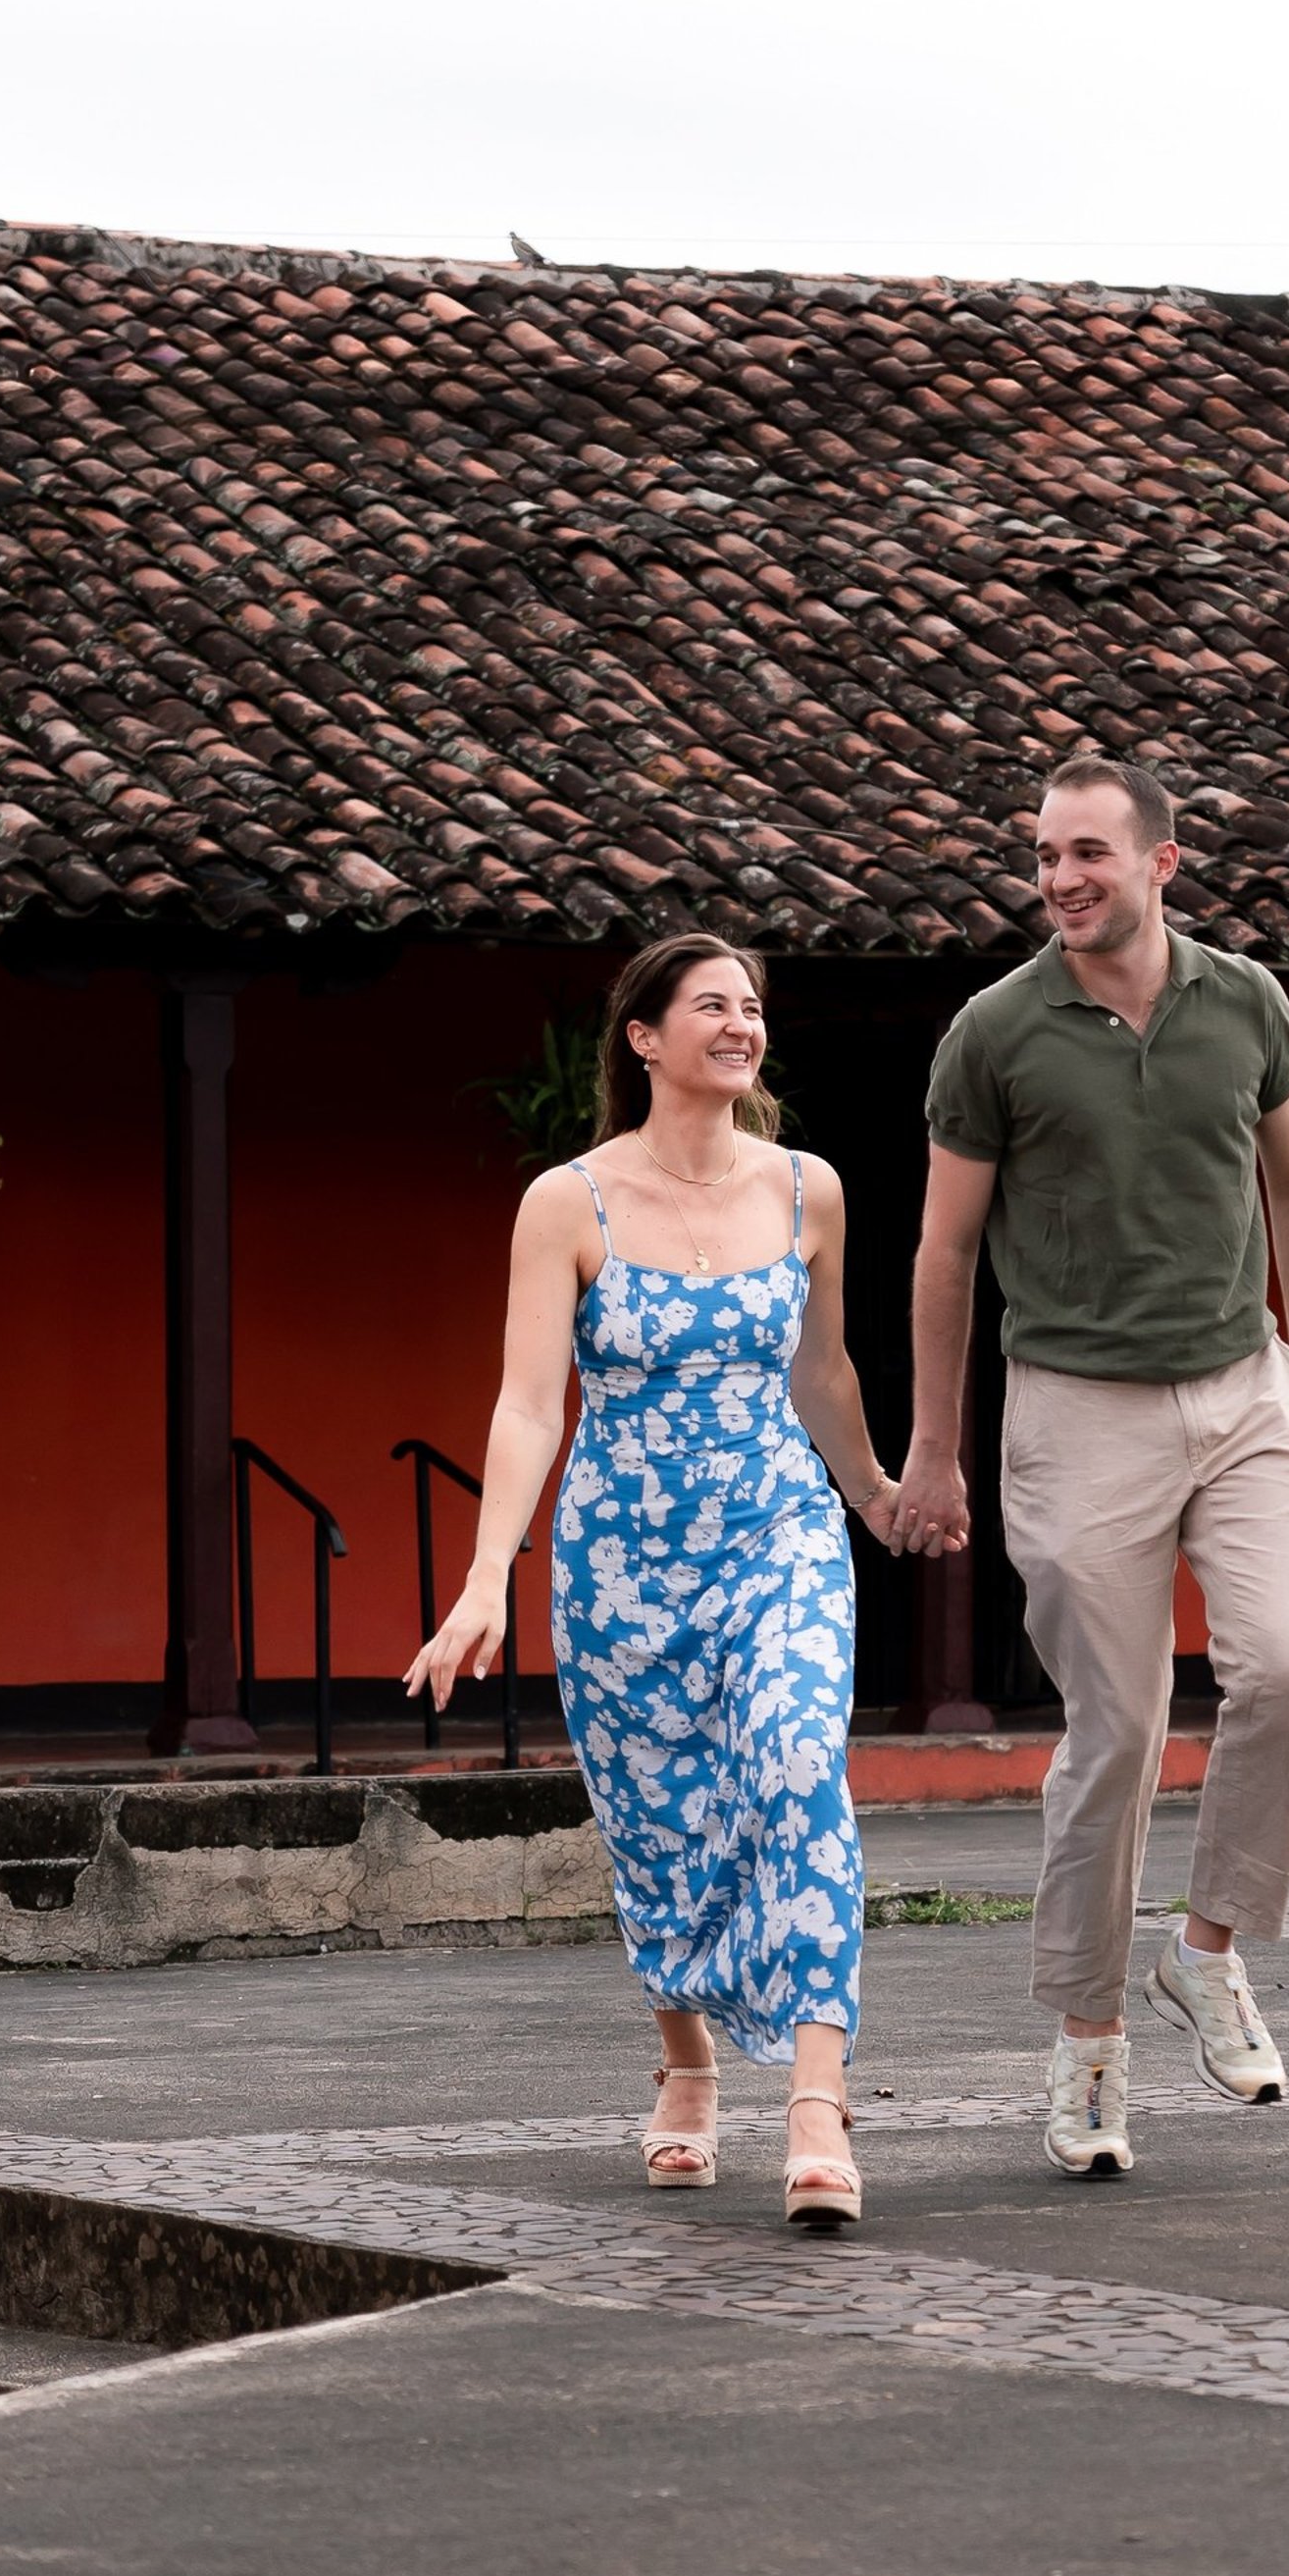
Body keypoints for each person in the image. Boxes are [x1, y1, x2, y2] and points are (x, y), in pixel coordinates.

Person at [406, 932, 905, 2229]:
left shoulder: (811, 1190)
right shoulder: (568, 1201)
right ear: (644, 1037)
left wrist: (876, 1493)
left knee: (797, 1764)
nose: (740, 1025)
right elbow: (527, 1406)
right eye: (711, 1006)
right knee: (660, 1816)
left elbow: (825, 1373)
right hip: (619, 1559)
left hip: (777, 1529)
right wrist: (484, 1579)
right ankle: (686, 2064)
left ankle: (816, 2105)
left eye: (751, 1007)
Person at [894, 757, 1289, 2178]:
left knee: (1288, 1662)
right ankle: (1089, 2043)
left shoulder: (1247, 1004)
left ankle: (1205, 1952)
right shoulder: (999, 1031)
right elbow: (947, 1252)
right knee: (1122, 1734)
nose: (1059, 877)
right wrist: (934, 1449)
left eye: (1086, 851)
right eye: (1043, 856)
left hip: (1244, 1386)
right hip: (1079, 1409)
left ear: (1161, 861)